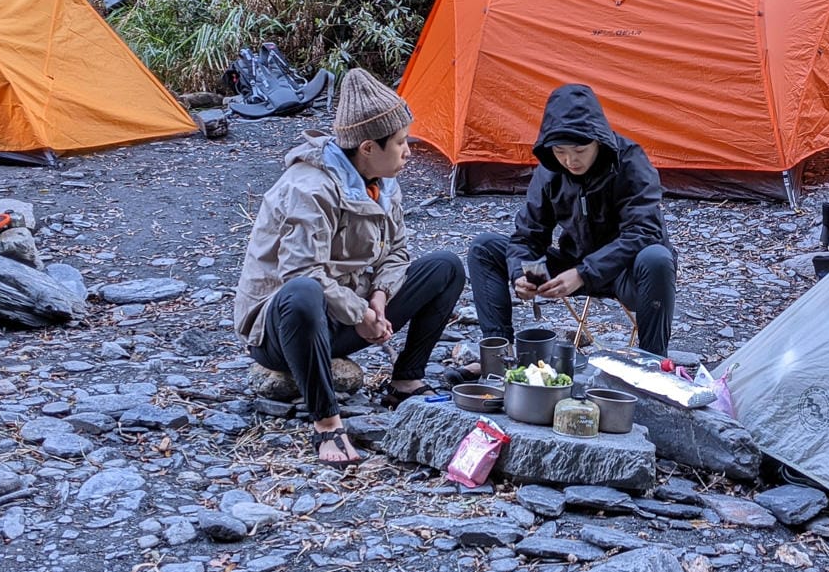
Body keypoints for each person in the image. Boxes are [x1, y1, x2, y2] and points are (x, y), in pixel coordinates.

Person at [234, 68, 464, 468]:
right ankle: (326, 422)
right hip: (287, 330)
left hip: (349, 317)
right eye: (401, 142)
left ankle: (406, 380)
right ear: (368, 147)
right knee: (304, 291)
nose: (409, 151)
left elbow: (398, 251)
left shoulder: (381, 179)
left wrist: (379, 297)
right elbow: (302, 273)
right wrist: (360, 314)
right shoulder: (310, 188)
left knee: (445, 267)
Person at [467, 83, 677, 358]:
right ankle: (498, 355)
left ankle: (653, 363)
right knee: (484, 248)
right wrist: (521, 273)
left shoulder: (629, 161)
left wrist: (584, 273)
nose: (570, 160)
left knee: (657, 257)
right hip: (573, 265)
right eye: (560, 151)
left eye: (579, 150)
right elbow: (528, 236)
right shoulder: (551, 170)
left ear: (597, 140)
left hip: (626, 272)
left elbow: (644, 232)